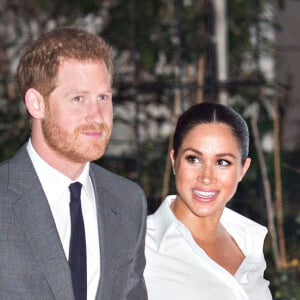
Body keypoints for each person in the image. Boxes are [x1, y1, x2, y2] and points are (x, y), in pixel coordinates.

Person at [0, 27, 148, 300]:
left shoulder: (128, 202)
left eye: (103, 97)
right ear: (36, 104)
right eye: (78, 98)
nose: (97, 115)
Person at [144, 102, 272, 300]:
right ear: (174, 160)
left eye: (222, 162)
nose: (206, 177)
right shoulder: (140, 247)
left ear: (243, 169)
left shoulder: (249, 242)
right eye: (194, 159)